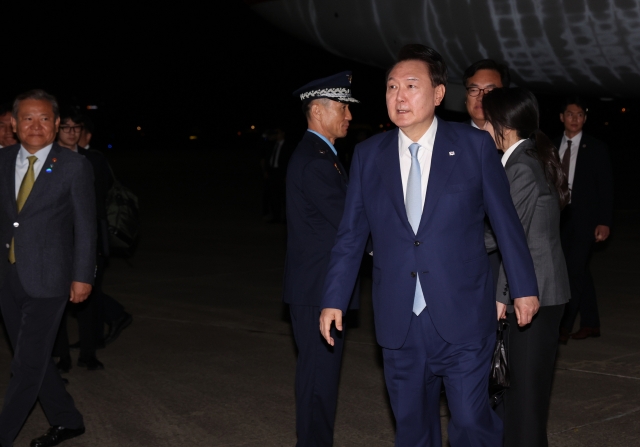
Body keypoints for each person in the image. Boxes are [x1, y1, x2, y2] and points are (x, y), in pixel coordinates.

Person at [319, 45, 539, 446]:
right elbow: (351, 235)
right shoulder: (369, 156)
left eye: (410, 85)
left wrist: (523, 288)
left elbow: (507, 224)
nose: (398, 96)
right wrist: (333, 297)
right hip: (399, 319)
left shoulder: (473, 147)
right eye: (390, 87)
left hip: (464, 316)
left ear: (438, 94)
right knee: (412, 428)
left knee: (472, 421)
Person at [0, 90, 95, 446]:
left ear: (56, 125)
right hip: (7, 277)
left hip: (50, 279)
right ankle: (67, 419)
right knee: (34, 358)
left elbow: (86, 226)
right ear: (14, 123)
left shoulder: (73, 165)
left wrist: (83, 275)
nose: (35, 125)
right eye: (27, 118)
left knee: (24, 365)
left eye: (43, 119)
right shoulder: (3, 159)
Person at [482, 87, 571, 447]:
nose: (483, 127)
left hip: (534, 294)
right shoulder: (532, 157)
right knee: (522, 396)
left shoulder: (520, 167)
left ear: (503, 124)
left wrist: (445, 241)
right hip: (543, 291)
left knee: (525, 400)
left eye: (487, 120)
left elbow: (505, 236)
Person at [285, 71, 360, 446]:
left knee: (321, 381)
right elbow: (350, 222)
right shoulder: (316, 161)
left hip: (319, 288)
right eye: (343, 108)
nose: (349, 116)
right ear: (318, 110)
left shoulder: (323, 156)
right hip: (318, 291)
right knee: (317, 384)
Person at [53, 109, 113, 371]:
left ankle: (89, 353)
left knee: (90, 298)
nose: (72, 132)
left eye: (76, 127)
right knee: (57, 302)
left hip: (88, 239)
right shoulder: (49, 158)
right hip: (57, 240)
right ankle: (61, 356)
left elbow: (103, 197)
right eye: (66, 127)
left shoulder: (94, 159)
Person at [554, 97, 614, 343]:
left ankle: (563, 327)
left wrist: (604, 221)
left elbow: (607, 187)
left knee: (573, 271)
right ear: (562, 117)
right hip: (557, 218)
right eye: (570, 114)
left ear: (585, 118)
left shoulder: (596, 147)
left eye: (579, 115)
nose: (575, 119)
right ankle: (591, 324)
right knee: (580, 272)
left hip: (585, 220)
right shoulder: (549, 144)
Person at [462, 60, 511, 129]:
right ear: (466, 96)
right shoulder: (448, 136)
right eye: (474, 90)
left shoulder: (519, 137)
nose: (481, 97)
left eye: (490, 91)